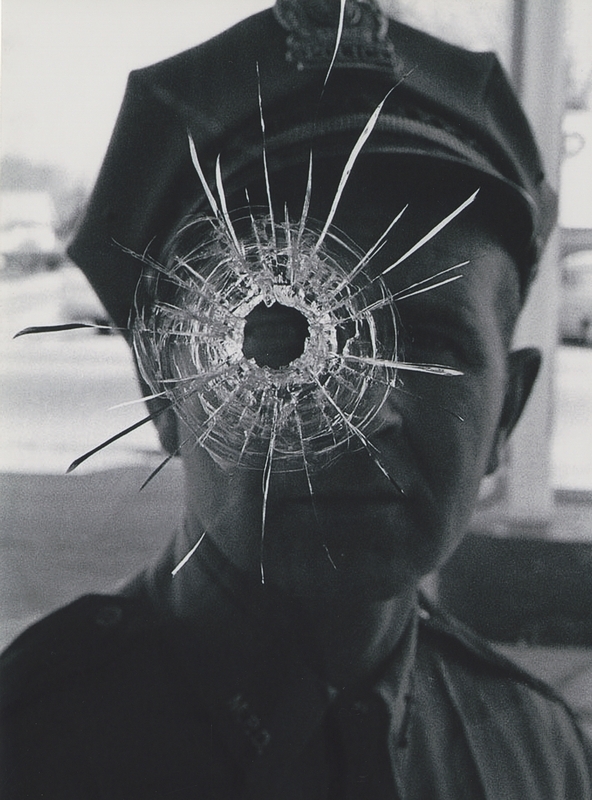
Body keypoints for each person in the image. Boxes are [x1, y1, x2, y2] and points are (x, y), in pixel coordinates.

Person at [2, 1, 591, 797]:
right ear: (164, 389)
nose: (365, 409)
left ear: (507, 414)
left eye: (428, 347)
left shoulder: (540, 758)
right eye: (275, 334)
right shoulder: (30, 745)